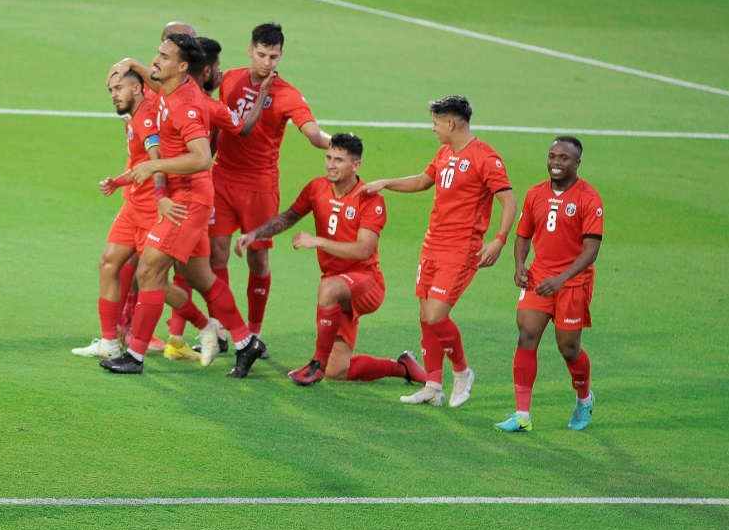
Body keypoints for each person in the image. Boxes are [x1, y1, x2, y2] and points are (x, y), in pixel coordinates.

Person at [100, 33, 265, 377]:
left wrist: (154, 166)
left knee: (149, 271)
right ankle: (246, 341)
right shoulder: (171, 88)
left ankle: (135, 355)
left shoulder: (185, 106)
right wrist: (130, 63)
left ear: (182, 67)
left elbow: (202, 158)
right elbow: (233, 123)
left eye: (164, 56)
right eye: (157, 53)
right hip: (188, 198)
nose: (156, 60)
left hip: (186, 201)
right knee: (200, 277)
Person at [364, 95, 517, 408]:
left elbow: (509, 202)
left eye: (435, 123)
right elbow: (422, 182)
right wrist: (386, 183)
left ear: (450, 123)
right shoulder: (444, 152)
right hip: (431, 245)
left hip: (461, 250)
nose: (432, 128)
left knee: (436, 315)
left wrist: (499, 240)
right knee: (425, 316)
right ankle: (433, 385)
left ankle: (462, 372)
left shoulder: (485, 157)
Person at [236, 133, 425, 387]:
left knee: (328, 288)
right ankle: (403, 367)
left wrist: (319, 241)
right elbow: (290, 216)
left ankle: (316, 364)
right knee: (337, 371)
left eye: (339, 160)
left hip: (367, 283)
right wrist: (255, 234)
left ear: (356, 165)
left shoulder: (370, 199)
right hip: (337, 285)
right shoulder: (317, 188)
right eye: (328, 158)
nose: (331, 165)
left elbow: (363, 250)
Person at [210, 22, 331, 350]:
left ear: (281, 56)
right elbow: (217, 123)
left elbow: (314, 134)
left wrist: (338, 142)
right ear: (250, 51)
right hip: (221, 178)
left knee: (258, 259)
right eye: (262, 54)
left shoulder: (287, 94)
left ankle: (254, 333)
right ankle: (221, 329)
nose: (267, 62)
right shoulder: (230, 79)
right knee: (216, 253)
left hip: (260, 185)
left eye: (273, 57)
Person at [495, 137, 603, 433]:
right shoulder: (535, 193)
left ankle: (584, 398)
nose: (556, 162)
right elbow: (523, 234)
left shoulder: (589, 198)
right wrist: (520, 265)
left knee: (569, 349)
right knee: (526, 336)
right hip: (540, 277)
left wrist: (562, 278)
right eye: (552, 156)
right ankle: (522, 415)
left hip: (573, 283)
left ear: (577, 163)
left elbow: (591, 250)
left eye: (563, 158)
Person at [72, 69, 164, 360]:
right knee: (108, 264)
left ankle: (207, 325)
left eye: (119, 88)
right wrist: (119, 181)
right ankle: (109, 342)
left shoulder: (146, 119)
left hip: (151, 210)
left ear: (137, 88)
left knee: (156, 279)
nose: (114, 94)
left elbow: (157, 162)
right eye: (111, 90)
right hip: (133, 205)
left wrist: (160, 198)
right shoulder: (135, 118)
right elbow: (143, 163)